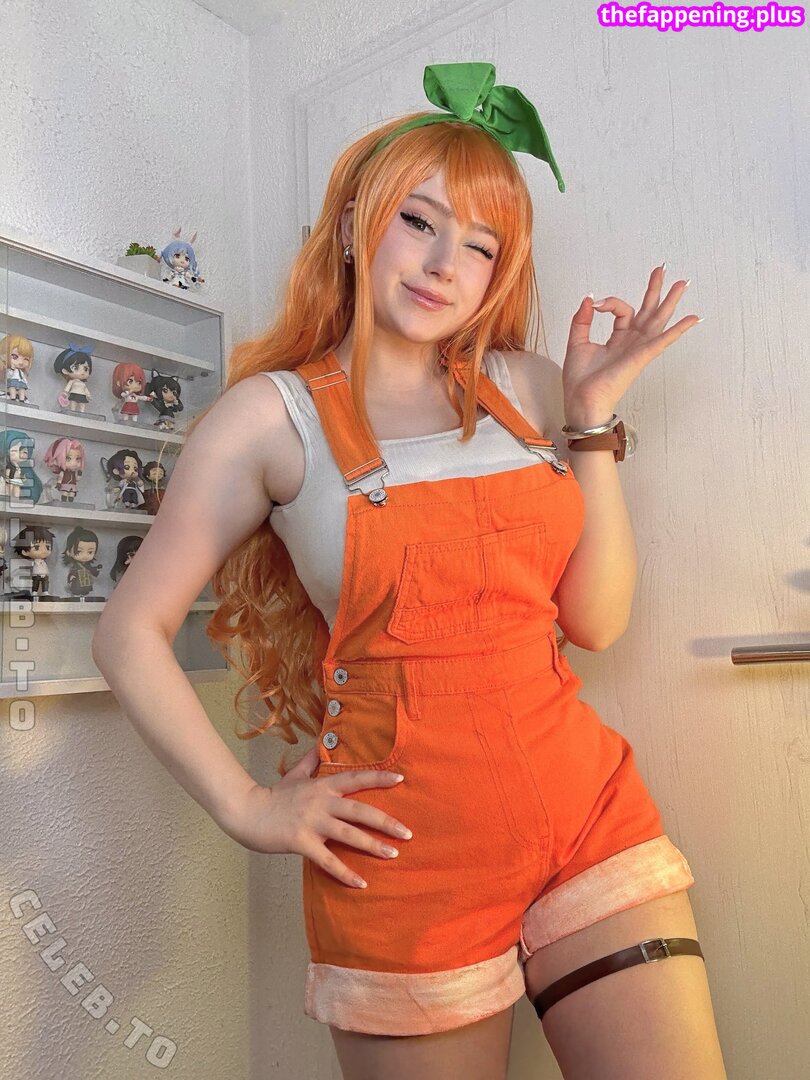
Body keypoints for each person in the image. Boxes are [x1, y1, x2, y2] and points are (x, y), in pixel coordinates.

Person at [92, 62, 727, 1080]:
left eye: (480, 245)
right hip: (402, 863)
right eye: (419, 222)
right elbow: (128, 633)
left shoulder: (530, 387)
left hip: (587, 816)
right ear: (353, 227)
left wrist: (591, 421)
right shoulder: (269, 420)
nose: (444, 265)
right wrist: (247, 808)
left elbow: (597, 621)